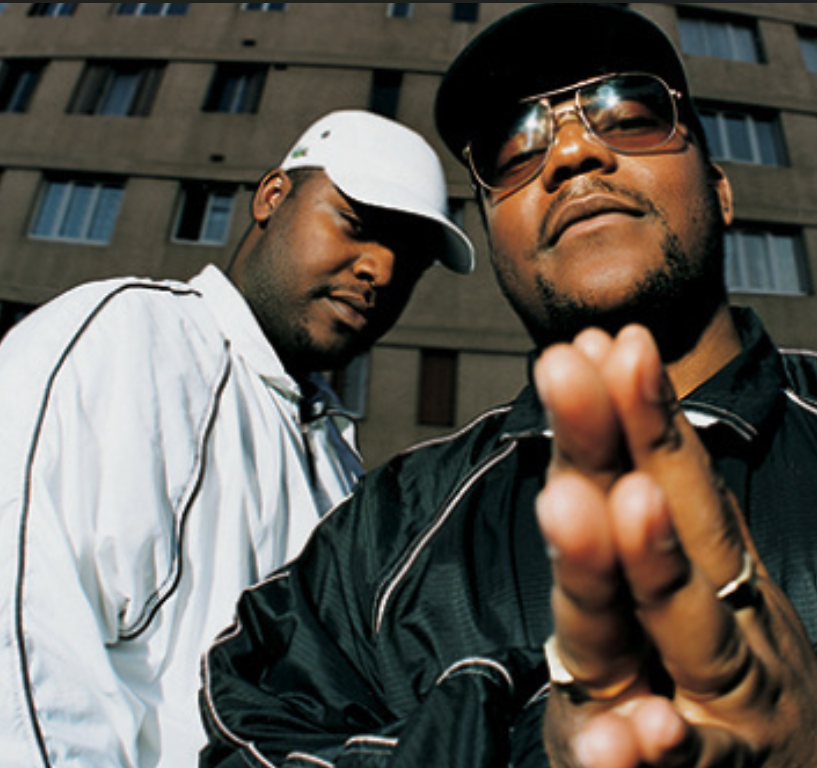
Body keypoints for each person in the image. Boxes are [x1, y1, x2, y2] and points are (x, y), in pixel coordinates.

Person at [199, 6, 817, 768]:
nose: (570, 154)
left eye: (629, 114)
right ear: (496, 243)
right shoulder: (384, 535)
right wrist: (537, 746)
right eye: (515, 148)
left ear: (722, 192)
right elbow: (254, 740)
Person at [0, 109, 474, 768]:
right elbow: (22, 633)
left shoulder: (340, 466)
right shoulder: (132, 338)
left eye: (411, 260)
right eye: (357, 225)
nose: (382, 271)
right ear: (272, 196)